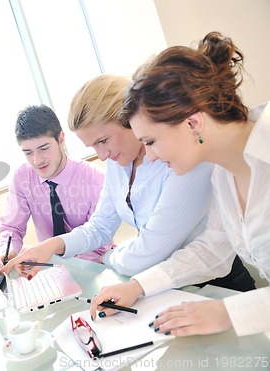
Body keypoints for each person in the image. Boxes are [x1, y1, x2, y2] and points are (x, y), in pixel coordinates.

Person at [89, 31, 269, 337]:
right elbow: (213, 247)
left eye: (151, 141)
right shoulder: (222, 174)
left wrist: (232, 311)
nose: (151, 157)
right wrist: (138, 285)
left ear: (192, 123)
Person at [1, 75, 255, 291]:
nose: (101, 156)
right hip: (160, 283)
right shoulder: (116, 162)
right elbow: (100, 226)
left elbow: (153, 248)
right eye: (92, 147)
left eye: (103, 141)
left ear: (129, 120)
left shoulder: (180, 159)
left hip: (215, 284)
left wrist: (108, 258)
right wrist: (53, 245)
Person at [0, 104, 115, 265]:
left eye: (43, 148)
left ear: (61, 139)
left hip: (94, 265)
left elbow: (99, 243)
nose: (37, 160)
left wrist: (59, 263)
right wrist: (7, 250)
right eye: (28, 153)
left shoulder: (95, 179)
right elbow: (11, 227)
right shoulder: (22, 177)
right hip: (50, 266)